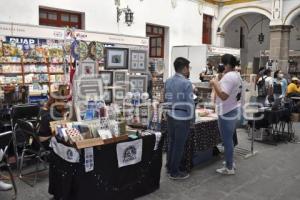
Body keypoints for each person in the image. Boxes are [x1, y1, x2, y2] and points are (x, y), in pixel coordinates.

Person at [210, 54, 242, 175]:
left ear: (227, 65)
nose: (221, 65)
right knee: (229, 140)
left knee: (227, 141)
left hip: (226, 112)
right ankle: (230, 161)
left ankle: (229, 168)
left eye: (222, 63)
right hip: (232, 109)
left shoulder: (229, 77)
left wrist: (215, 83)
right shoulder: (236, 75)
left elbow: (223, 96)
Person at [165, 57, 194, 180]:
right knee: (179, 145)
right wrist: (192, 119)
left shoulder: (168, 81)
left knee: (171, 142)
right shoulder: (187, 83)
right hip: (182, 117)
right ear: (185, 68)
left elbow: (165, 99)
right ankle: (175, 172)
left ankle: (169, 166)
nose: (188, 70)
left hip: (170, 115)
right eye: (188, 67)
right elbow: (190, 103)